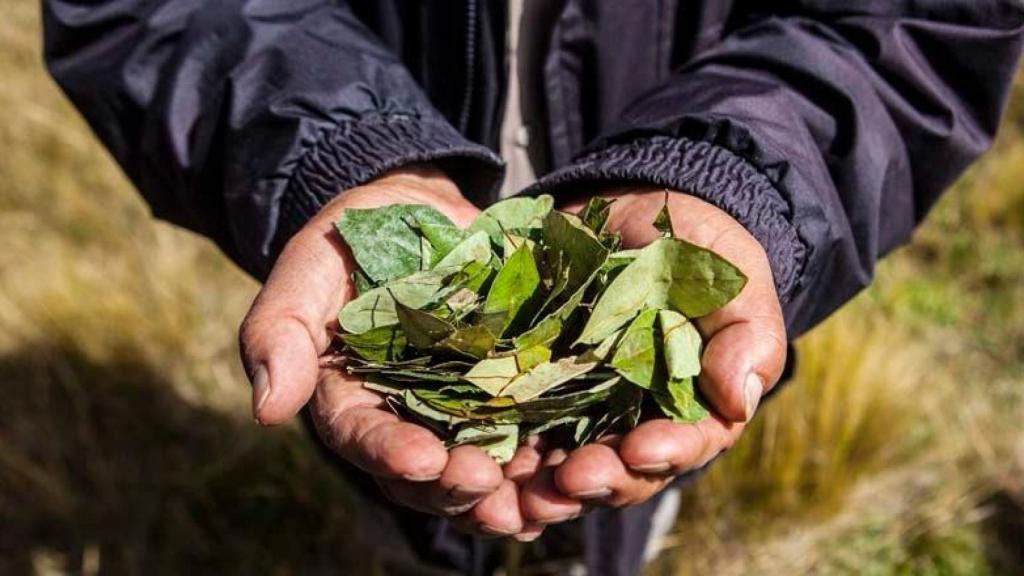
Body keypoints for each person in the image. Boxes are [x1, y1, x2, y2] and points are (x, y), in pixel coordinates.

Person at [43, 1, 1024, 574]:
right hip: (406, 418)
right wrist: (340, 148)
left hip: (629, 382)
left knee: (613, 508)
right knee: (421, 511)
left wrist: (734, 170)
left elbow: (918, 22)